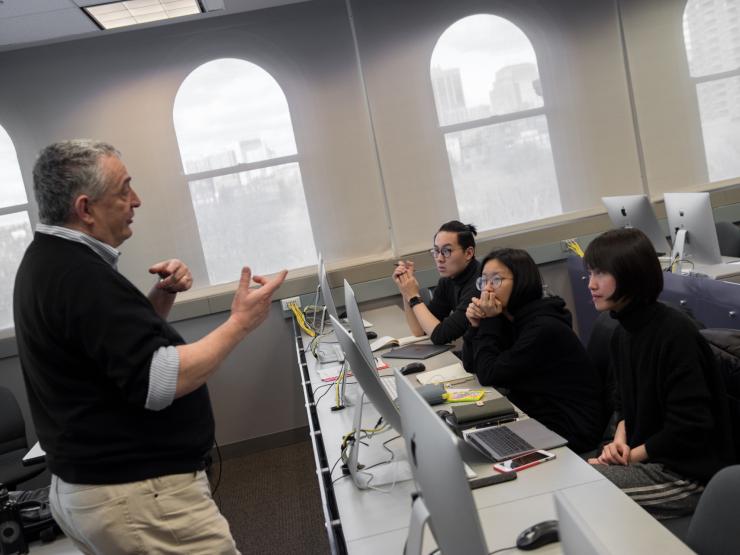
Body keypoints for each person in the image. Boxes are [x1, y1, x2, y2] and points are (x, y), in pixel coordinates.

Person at [13, 140, 287, 554]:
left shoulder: (48, 262)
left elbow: (109, 355)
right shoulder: (79, 275)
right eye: (124, 190)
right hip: (137, 499)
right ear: (85, 209)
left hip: (99, 492)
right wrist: (240, 322)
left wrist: (159, 297)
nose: (136, 201)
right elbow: (160, 381)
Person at [584, 228, 733, 519]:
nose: (591, 284)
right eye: (590, 273)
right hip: (649, 461)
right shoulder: (623, 331)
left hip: (688, 476)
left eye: (601, 274)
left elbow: (689, 428)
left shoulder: (675, 333)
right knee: (576, 479)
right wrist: (619, 441)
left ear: (631, 274)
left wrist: (629, 457)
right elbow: (622, 404)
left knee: (583, 489)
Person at [462, 248, 603, 454]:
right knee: (472, 444)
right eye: (483, 281)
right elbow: (472, 364)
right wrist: (475, 326)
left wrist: (489, 321)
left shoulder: (542, 328)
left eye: (496, 280)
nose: (488, 290)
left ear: (520, 282)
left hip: (571, 427)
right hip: (537, 414)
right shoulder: (509, 317)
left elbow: (489, 374)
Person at [392, 220, 480, 345]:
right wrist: (405, 290)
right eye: (436, 251)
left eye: (446, 251)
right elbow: (420, 330)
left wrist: (413, 296)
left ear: (468, 253)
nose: (439, 258)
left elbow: (440, 336)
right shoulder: (448, 280)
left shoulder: (480, 284)